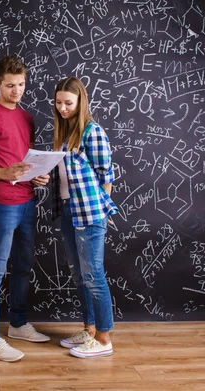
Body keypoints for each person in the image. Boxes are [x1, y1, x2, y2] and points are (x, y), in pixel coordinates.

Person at [0, 55, 50, 362]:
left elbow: (24, 160)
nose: (16, 91)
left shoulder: (27, 117)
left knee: (23, 267)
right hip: (0, 204)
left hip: (27, 201)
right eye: (10, 85)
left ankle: (17, 324)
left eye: (21, 85)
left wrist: (37, 176)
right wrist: (6, 173)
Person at [51, 76, 118, 358]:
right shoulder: (64, 134)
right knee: (79, 275)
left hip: (89, 212)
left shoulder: (92, 132)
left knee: (93, 275)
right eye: (58, 103)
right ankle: (89, 329)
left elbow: (106, 176)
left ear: (80, 102)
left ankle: (104, 339)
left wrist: (103, 209)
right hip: (68, 210)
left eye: (68, 103)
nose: (63, 108)